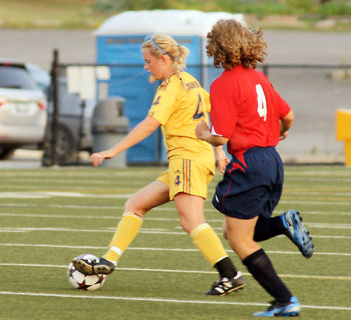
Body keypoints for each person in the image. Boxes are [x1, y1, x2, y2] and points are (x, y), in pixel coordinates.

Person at [72, 33, 245, 296]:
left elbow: (150, 124)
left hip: (187, 159)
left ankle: (230, 274)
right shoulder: (191, 81)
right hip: (190, 159)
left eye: (148, 61)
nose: (145, 66)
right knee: (136, 204)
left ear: (164, 59)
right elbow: (210, 119)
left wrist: (113, 150)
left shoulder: (173, 85)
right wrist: (219, 151)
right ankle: (109, 260)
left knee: (191, 220)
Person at [195, 19, 313, 317]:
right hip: (272, 160)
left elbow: (221, 136)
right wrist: (281, 131)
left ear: (217, 47)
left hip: (249, 162)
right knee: (238, 230)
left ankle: (285, 300)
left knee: (238, 238)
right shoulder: (259, 79)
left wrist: (203, 134)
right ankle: (282, 224)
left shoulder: (223, 83)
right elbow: (289, 116)